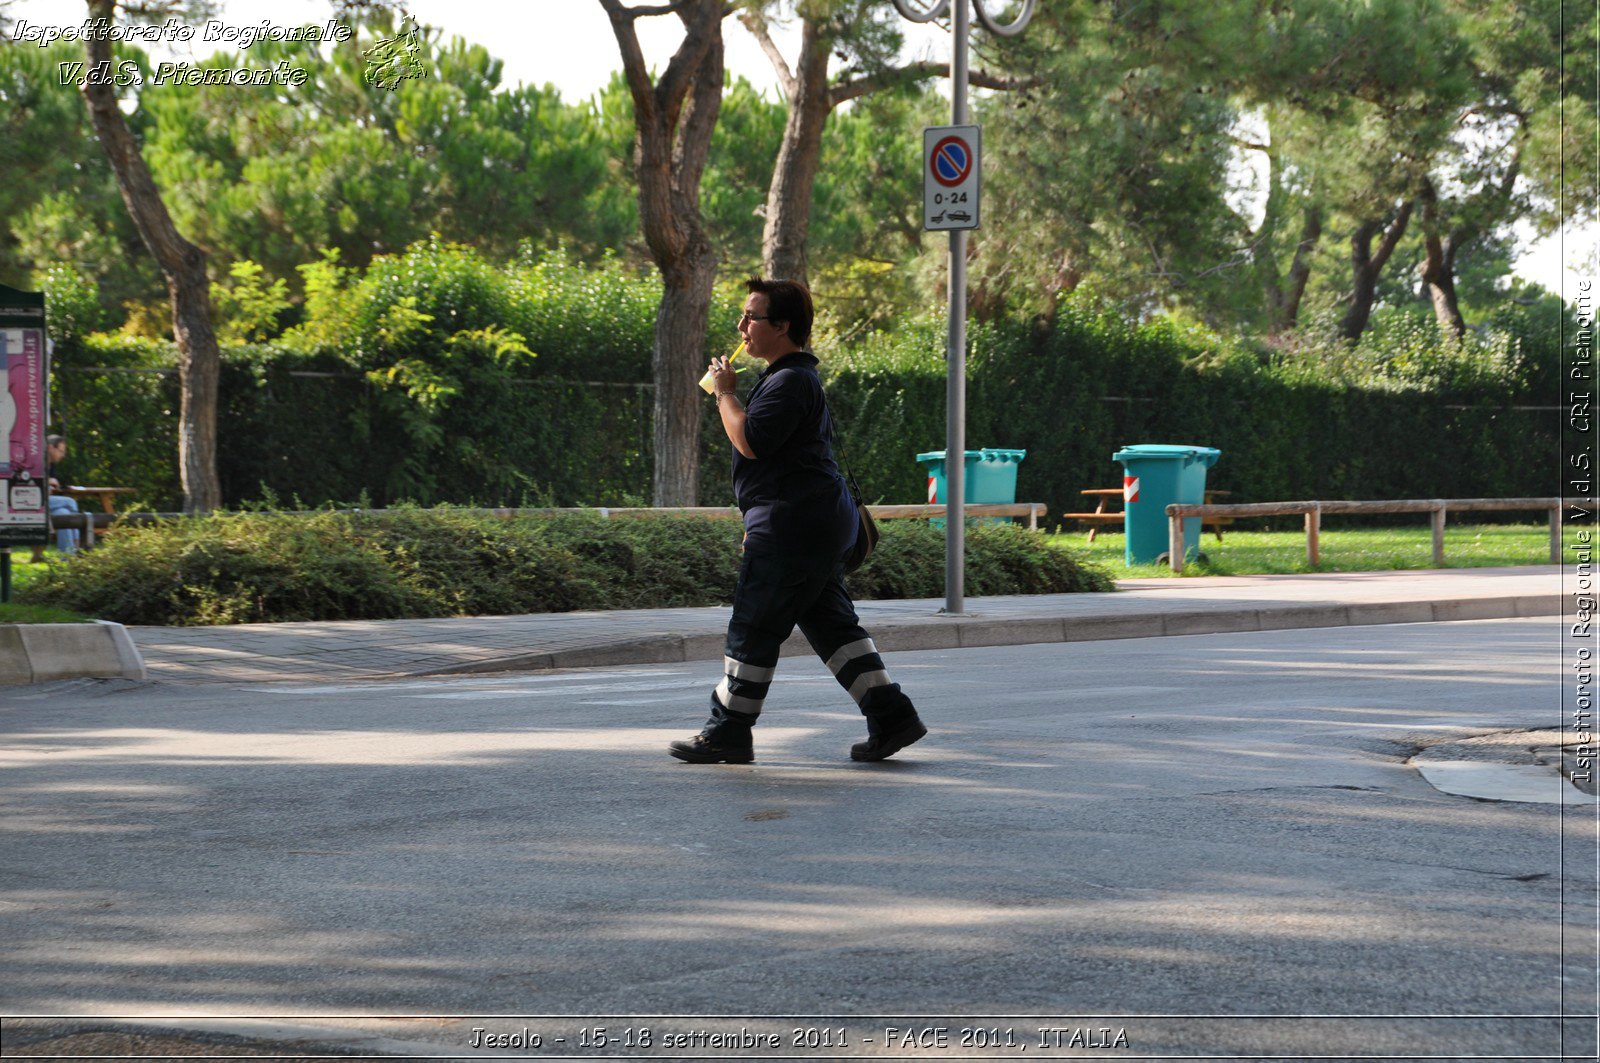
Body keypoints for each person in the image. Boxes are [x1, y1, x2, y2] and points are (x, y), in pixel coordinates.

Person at [669, 278, 927, 764]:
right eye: (742, 318)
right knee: (834, 629)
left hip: (791, 529)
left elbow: (751, 441)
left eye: (752, 317)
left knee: (753, 627)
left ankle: (728, 730)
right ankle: (892, 717)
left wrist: (726, 393)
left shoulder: (789, 381)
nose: (742, 327)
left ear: (782, 326)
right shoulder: (789, 378)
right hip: (812, 528)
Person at [45, 434, 80, 556]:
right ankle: (77, 544)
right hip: (33, 503)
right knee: (71, 502)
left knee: (63, 514)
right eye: (61, 451)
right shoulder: (37, 462)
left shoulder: (51, 465)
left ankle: (68, 557)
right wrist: (47, 481)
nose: (63, 455)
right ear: (50, 447)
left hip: (47, 501)